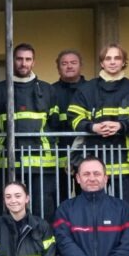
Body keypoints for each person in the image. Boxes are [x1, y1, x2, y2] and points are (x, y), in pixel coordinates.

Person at [0, 43, 60, 220]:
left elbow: (56, 126)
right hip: (6, 165)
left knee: (43, 212)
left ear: (33, 62)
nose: (23, 63)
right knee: (9, 213)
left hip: (43, 166)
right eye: (19, 59)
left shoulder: (47, 90)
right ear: (11, 61)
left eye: (28, 59)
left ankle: (43, 247)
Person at [68, 44, 129, 212]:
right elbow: (74, 120)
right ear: (102, 63)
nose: (112, 62)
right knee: (91, 212)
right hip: (91, 163)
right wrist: (93, 127)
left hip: (126, 165)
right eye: (108, 58)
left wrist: (121, 126)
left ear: (124, 62)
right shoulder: (86, 89)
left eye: (117, 58)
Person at [51, 50, 86, 197]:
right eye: (64, 63)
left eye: (73, 63)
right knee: (59, 198)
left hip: (86, 155)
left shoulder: (91, 89)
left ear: (81, 66)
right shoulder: (50, 91)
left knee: (86, 197)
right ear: (58, 68)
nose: (69, 66)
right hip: (58, 157)